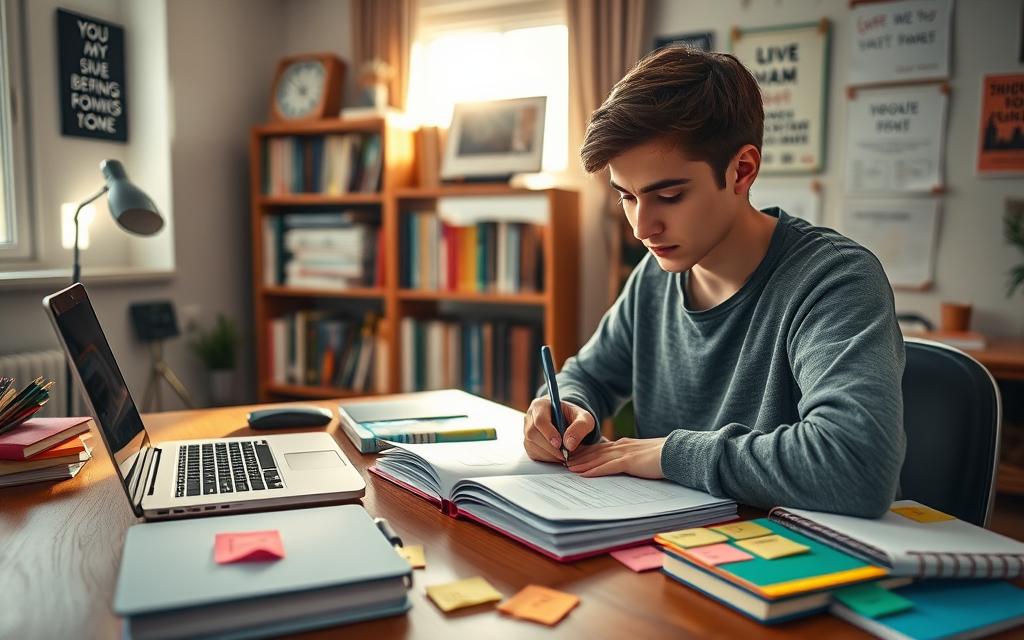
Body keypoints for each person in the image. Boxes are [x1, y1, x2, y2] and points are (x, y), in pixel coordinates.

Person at [522, 46, 905, 518]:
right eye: (626, 197)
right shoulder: (655, 277)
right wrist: (563, 409)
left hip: (800, 566)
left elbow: (855, 464)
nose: (642, 228)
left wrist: (665, 454)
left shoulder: (835, 280)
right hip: (678, 548)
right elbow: (588, 375)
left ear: (742, 170)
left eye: (669, 195)